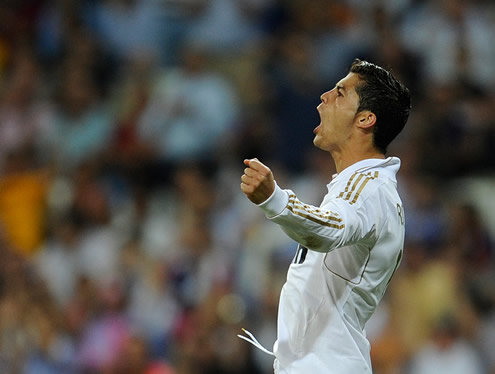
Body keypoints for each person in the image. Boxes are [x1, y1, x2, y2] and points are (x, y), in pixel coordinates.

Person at [239, 59, 411, 373]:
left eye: (340, 93)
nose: (324, 97)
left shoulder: (369, 188)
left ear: (365, 119)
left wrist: (274, 199)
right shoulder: (359, 186)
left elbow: (331, 229)